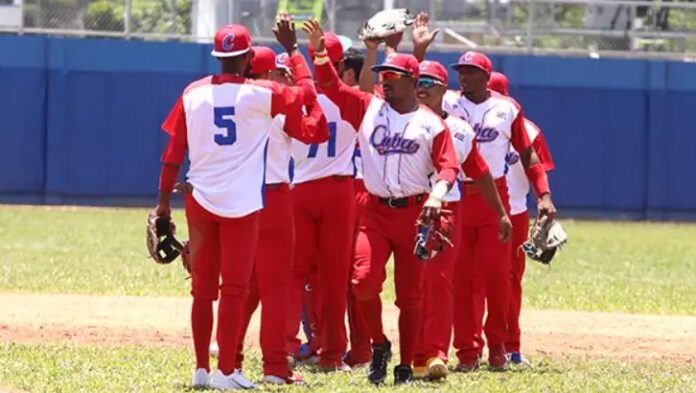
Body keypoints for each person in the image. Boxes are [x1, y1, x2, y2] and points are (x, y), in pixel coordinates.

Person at [152, 18, 320, 389]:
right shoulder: (260, 93)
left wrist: (163, 203)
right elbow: (307, 94)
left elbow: (172, 153)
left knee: (202, 290)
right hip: (241, 204)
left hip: (199, 199)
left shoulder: (192, 92)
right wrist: (294, 52)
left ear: (217, 57)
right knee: (235, 290)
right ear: (246, 58)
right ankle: (226, 371)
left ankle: (200, 369)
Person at [302, 20, 460, 385]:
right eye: (382, 75)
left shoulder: (431, 123)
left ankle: (405, 364)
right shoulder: (369, 108)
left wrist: (437, 195)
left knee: (411, 296)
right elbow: (330, 85)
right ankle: (378, 344)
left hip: (414, 213)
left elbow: (449, 165)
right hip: (374, 211)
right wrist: (319, 52)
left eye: (392, 75)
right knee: (362, 282)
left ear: (411, 81)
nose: (385, 80)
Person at [443, 52, 557, 371]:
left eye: (470, 71)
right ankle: (467, 351)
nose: (463, 76)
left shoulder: (507, 109)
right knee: (463, 280)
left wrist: (544, 195)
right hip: (457, 195)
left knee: (498, 275)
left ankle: (499, 347)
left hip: (495, 197)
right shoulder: (449, 103)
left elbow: (529, 156)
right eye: (460, 71)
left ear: (486, 75)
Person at [232, 45, 328, 385]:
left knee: (238, 288)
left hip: (234, 199)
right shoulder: (278, 102)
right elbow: (317, 131)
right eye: (275, 71)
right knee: (275, 288)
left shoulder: (225, 98)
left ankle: (229, 364)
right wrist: (299, 74)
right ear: (270, 73)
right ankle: (275, 367)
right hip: (272, 199)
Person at [412, 60, 512, 380]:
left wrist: (501, 212)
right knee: (406, 285)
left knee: (442, 283)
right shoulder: (395, 116)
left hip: (446, 210)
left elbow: (480, 171)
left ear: (444, 90)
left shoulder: (460, 128)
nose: (422, 87)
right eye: (419, 81)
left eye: (429, 82)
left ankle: (438, 352)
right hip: (402, 208)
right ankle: (408, 351)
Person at [286, 31, 358, 371]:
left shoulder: (291, 97)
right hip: (338, 191)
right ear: (340, 63)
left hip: (299, 189)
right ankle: (331, 354)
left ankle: (284, 346)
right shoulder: (352, 99)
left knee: (292, 274)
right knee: (334, 277)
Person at [488, 71, 555, 366]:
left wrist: (544, 201)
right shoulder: (464, 119)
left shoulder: (526, 130)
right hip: (501, 212)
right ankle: (492, 346)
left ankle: (506, 346)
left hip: (513, 212)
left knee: (506, 282)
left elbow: (538, 169)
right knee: (503, 282)